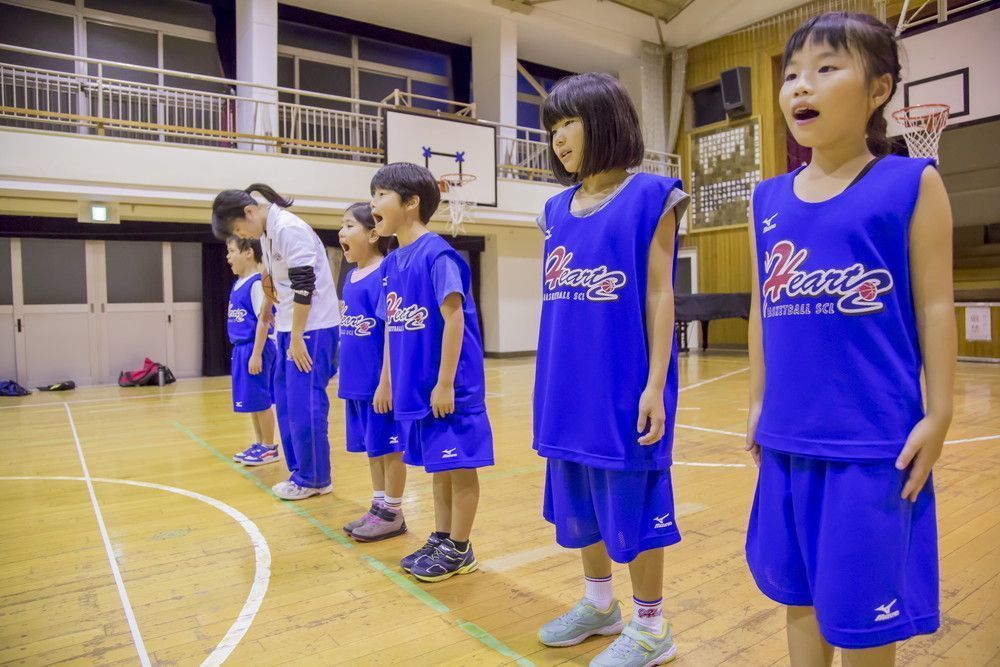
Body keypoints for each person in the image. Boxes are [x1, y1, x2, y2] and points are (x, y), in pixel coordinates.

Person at [745, 12, 955, 666]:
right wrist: (758, 402)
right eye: (792, 74)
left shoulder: (911, 183)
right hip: (787, 439)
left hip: (874, 445)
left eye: (826, 69)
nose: (800, 87)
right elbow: (762, 308)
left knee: (864, 616)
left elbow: (937, 304)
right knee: (799, 595)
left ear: (879, 90)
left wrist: (941, 413)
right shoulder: (767, 198)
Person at [532, 72, 689, 667]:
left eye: (568, 122)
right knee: (578, 500)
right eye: (552, 128)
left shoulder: (652, 195)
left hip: (624, 384)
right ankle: (600, 606)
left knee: (636, 497)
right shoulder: (553, 210)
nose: (558, 138)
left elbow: (658, 296)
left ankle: (652, 625)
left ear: (605, 122)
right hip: (564, 385)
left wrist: (654, 383)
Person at [370, 162, 494, 583]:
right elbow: (391, 326)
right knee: (439, 467)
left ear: (411, 202)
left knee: (459, 466)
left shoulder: (438, 254)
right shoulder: (391, 263)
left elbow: (454, 319)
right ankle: (443, 537)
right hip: (417, 389)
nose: (373, 204)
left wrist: (445, 383)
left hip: (449, 387)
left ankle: (461, 547)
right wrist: (387, 380)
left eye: (380, 195)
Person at [211, 184, 342, 501]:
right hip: (288, 327)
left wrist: (296, 336)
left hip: (312, 329)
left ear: (249, 212)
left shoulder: (288, 228)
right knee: (285, 402)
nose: (245, 236)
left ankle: (315, 478)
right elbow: (272, 277)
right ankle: (300, 473)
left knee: (304, 404)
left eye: (241, 229)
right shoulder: (267, 232)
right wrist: (270, 308)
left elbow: (303, 285)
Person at [338, 202, 408, 542]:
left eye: (349, 225)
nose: (341, 232)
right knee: (372, 448)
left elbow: (392, 332)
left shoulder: (385, 272)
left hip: (378, 384)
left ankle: (393, 510)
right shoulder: (351, 276)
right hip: (355, 382)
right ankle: (379, 506)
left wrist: (386, 381)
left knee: (390, 448)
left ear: (373, 233)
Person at [225, 236, 279, 466]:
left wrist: (256, 354)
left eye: (231, 251)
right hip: (241, 349)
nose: (228, 257)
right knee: (251, 400)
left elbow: (264, 320)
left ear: (248, 252)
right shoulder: (238, 283)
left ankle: (269, 446)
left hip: (255, 347)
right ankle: (259, 443)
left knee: (261, 398)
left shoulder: (257, 283)